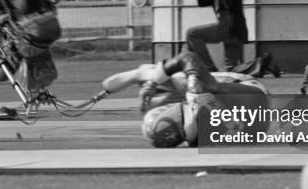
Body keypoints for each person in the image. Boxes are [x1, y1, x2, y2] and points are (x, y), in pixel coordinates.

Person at [102, 51, 270, 148]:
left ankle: (144, 74)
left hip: (249, 119)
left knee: (171, 87)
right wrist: (192, 80)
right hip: (250, 95)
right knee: (187, 86)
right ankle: (145, 75)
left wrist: (151, 82)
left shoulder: (192, 135)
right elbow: (188, 58)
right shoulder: (197, 96)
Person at [185, 0, 248, 72]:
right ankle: (263, 66)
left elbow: (229, 2)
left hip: (232, 26)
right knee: (232, 71)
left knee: (192, 33)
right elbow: (203, 3)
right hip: (227, 27)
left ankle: (208, 68)